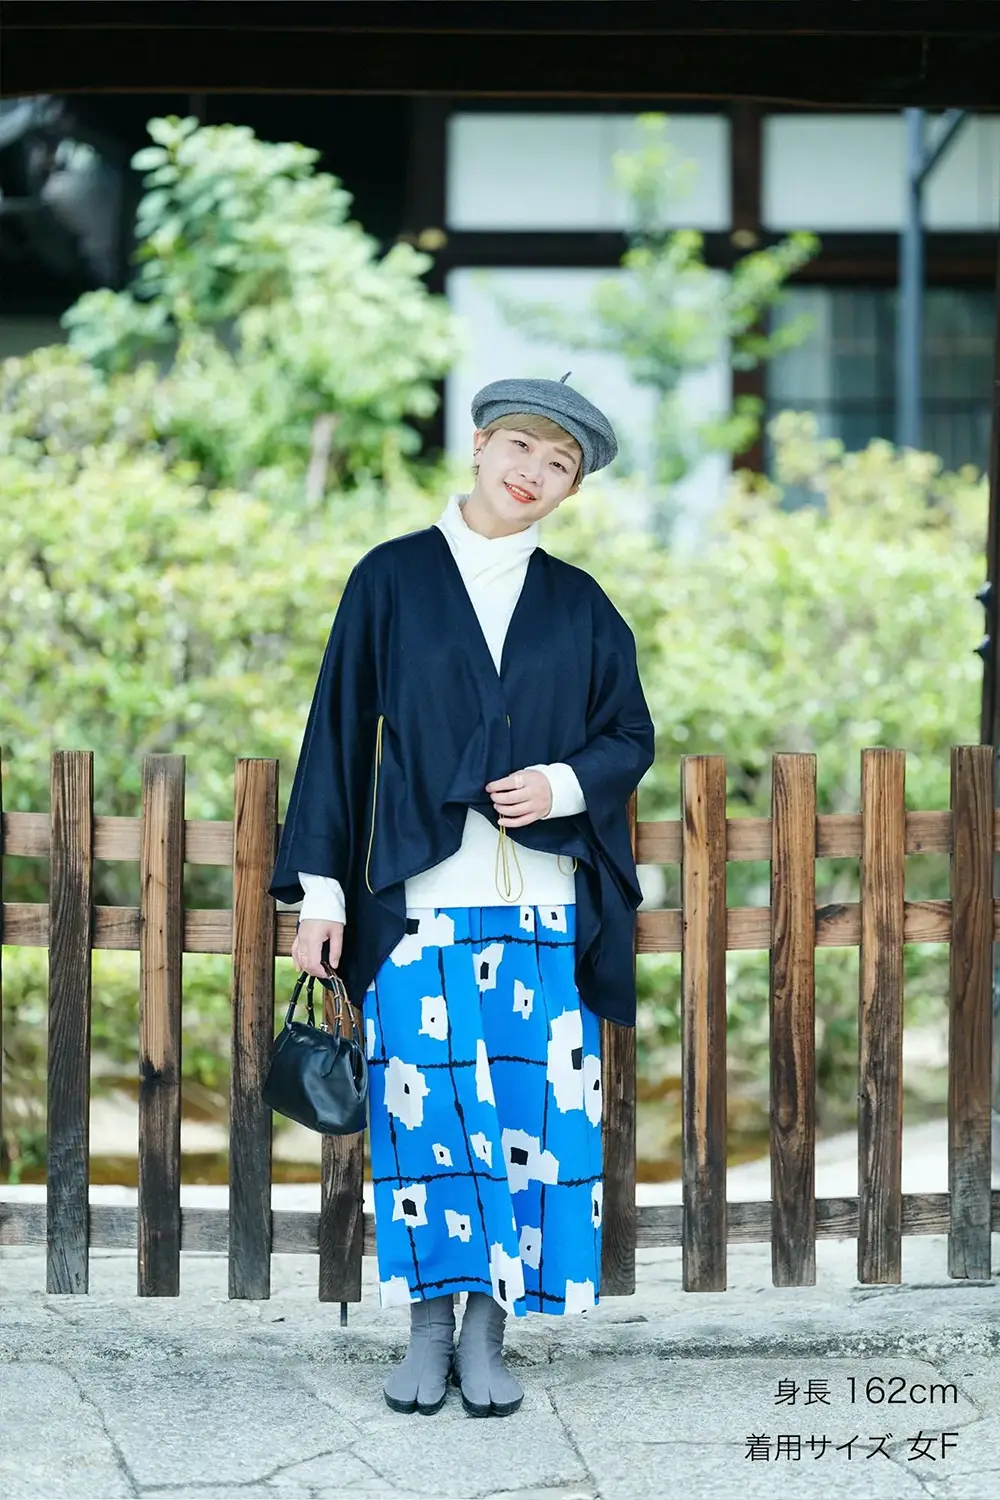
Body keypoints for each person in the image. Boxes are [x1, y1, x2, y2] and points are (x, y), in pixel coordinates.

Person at [268, 374, 655, 1419]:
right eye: (521, 448)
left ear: (572, 490)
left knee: (532, 1123)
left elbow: (630, 734)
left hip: (542, 909)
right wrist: (321, 894)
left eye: (559, 465)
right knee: (426, 1122)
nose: (534, 473)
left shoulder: (580, 605)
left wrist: (562, 784)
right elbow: (338, 734)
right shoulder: (391, 578)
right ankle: (428, 1332)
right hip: (419, 907)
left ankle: (490, 1333)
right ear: (480, 445)